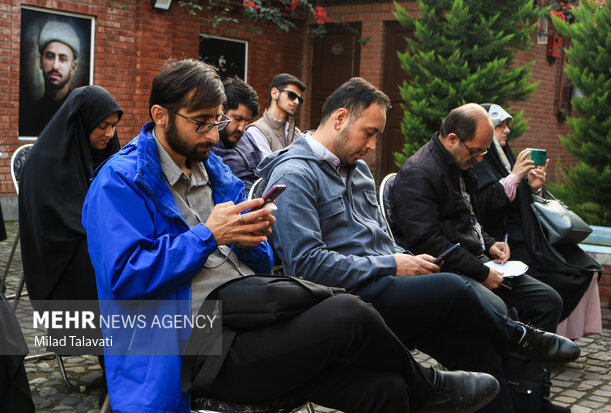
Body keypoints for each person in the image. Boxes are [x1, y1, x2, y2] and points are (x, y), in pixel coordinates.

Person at [82, 59, 500, 413]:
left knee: (385, 391)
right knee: (349, 313)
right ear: (160, 116)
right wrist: (208, 236)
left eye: (219, 121)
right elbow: (125, 278)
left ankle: (426, 389)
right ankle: (432, 386)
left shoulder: (212, 169)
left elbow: (259, 259)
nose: (214, 134)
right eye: (202, 123)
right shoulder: (120, 182)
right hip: (190, 344)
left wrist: (255, 234)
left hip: (252, 314)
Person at [259, 77, 580, 413]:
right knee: (451, 288)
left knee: (476, 348)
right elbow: (306, 265)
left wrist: (407, 261)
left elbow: (382, 240)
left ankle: (525, 405)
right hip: (343, 302)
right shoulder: (295, 175)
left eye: (377, 136)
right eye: (369, 132)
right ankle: (519, 336)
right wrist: (395, 265)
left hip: (386, 289)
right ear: (340, 119)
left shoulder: (358, 171)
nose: (372, 145)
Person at [390, 103, 563, 335]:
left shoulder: (461, 164)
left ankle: (526, 368)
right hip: (446, 270)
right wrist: (482, 273)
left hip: (475, 260)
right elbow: (427, 241)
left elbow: (470, 220)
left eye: (484, 151)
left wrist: (491, 244)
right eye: (476, 152)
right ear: (452, 139)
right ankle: (502, 367)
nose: (480, 159)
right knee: (498, 309)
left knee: (548, 300)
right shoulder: (419, 173)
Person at [472, 103, 603, 337]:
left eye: (507, 125)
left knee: (586, 265)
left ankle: (562, 335)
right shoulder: (477, 163)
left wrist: (534, 188)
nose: (507, 131)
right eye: (500, 126)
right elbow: (484, 208)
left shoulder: (505, 159)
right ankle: (545, 337)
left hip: (527, 238)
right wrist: (514, 178)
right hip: (502, 245)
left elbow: (518, 201)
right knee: (567, 274)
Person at [19, 85, 122, 304]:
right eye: (103, 126)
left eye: (114, 126)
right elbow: (50, 225)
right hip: (62, 261)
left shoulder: (107, 153)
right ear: (82, 122)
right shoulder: (44, 163)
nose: (110, 134)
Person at [19, 20, 81, 137]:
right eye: (50, 56)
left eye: (62, 59)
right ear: (40, 62)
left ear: (73, 67)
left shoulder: (80, 112)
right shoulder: (28, 112)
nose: (55, 66)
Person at [211, 77, 263, 195]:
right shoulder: (209, 145)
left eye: (247, 121)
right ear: (221, 111)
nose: (241, 128)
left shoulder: (248, 137)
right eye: (238, 119)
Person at [246, 73, 305, 157]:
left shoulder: (296, 133)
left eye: (299, 99)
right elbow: (267, 167)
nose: (296, 102)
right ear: (274, 93)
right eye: (292, 95)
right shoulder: (256, 131)